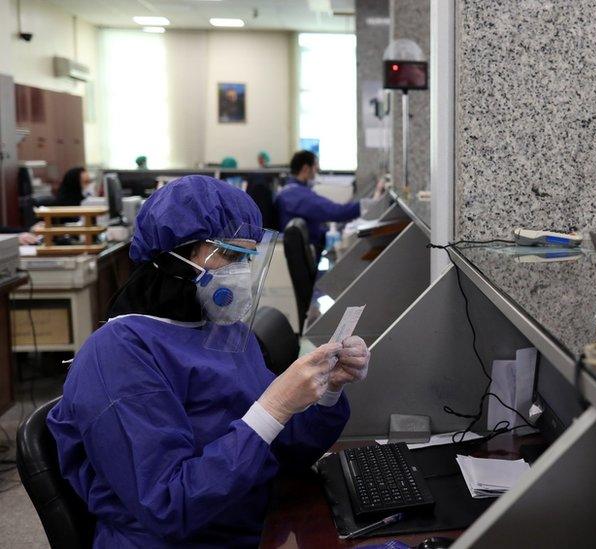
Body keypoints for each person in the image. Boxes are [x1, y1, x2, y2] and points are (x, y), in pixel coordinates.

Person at [47, 175, 370, 547]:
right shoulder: (120, 354)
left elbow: (286, 450)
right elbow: (169, 505)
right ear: (176, 253)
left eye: (248, 260)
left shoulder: (225, 332)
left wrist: (327, 389)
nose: (241, 274)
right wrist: (274, 405)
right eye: (231, 256)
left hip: (250, 523)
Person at [276, 150, 376, 250]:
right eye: (315, 168)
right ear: (305, 169)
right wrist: (368, 204)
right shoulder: (296, 196)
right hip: (306, 248)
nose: (317, 173)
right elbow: (336, 212)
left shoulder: (290, 190)